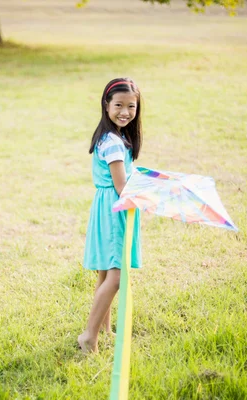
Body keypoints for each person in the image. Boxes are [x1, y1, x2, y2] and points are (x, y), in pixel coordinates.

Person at [78, 78, 143, 353]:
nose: (125, 112)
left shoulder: (111, 137)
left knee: (104, 274)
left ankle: (102, 329)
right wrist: (151, 194)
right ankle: (89, 336)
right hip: (115, 208)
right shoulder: (114, 143)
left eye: (131, 106)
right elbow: (122, 186)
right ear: (106, 106)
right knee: (115, 277)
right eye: (119, 105)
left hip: (105, 206)